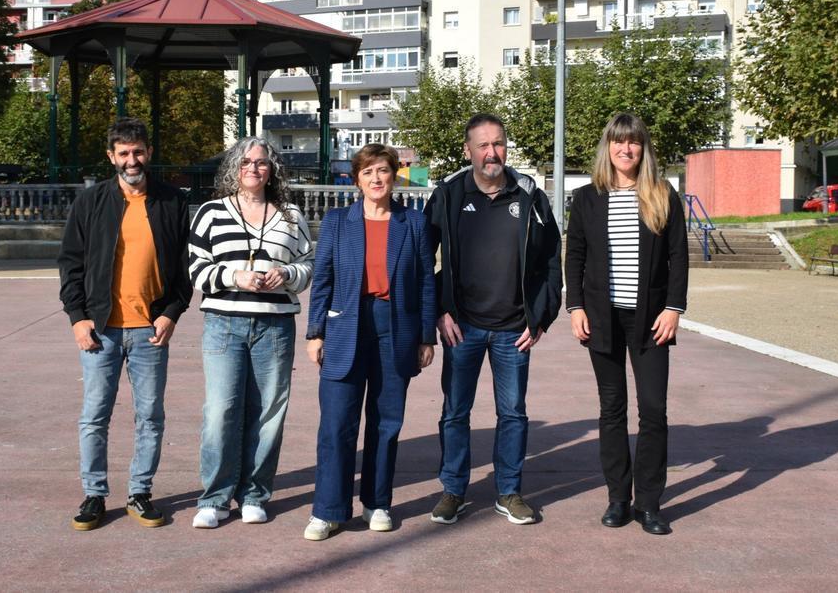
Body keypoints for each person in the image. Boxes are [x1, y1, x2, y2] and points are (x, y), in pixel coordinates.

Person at [424, 113, 563, 526]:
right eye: (483, 145)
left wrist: (539, 317)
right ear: (468, 151)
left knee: (513, 413)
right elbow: (418, 258)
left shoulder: (529, 197)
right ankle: (453, 490)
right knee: (455, 413)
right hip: (461, 328)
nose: (492, 152)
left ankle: (509, 491)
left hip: (513, 329)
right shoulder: (448, 195)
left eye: (498, 143)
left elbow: (553, 260)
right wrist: (438, 310)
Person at [57, 117, 191, 531]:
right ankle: (94, 494)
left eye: (138, 152)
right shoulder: (92, 202)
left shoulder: (172, 202)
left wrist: (171, 311)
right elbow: (71, 265)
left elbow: (187, 268)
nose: (131, 160)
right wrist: (78, 319)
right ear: (111, 156)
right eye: (123, 153)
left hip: (151, 329)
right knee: (95, 414)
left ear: (148, 153)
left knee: (150, 415)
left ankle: (140, 492)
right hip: (100, 330)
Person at [303, 144, 436, 541]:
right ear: (356, 179)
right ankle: (328, 510)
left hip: (395, 327)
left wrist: (426, 336)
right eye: (368, 172)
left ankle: (377, 503)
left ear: (394, 175)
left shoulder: (412, 223)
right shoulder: (337, 221)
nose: (376, 178)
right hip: (346, 325)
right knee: (336, 423)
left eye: (383, 170)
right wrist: (315, 333)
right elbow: (323, 279)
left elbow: (426, 281)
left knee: (386, 422)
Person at [564, 112, 689, 536]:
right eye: (619, 142)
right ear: (608, 147)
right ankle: (618, 498)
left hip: (651, 320)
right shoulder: (586, 198)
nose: (626, 149)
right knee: (611, 410)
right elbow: (575, 257)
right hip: (601, 318)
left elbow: (679, 258)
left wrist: (673, 308)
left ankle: (649, 503)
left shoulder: (662, 194)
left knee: (653, 410)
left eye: (633, 142)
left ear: (643, 147)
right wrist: (575, 306)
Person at [187, 137, 314, 529]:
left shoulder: (291, 215)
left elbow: (308, 264)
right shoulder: (211, 212)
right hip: (225, 323)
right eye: (246, 163)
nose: (254, 169)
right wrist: (234, 275)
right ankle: (216, 497)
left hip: (275, 324)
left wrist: (286, 274)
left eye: (262, 162)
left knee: (269, 412)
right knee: (221, 410)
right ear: (233, 169)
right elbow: (196, 270)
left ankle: (255, 493)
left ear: (272, 169)